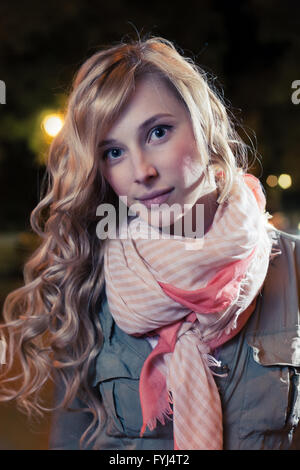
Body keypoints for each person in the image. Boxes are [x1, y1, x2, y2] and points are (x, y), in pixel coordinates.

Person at [0, 36, 300, 451]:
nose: (141, 171)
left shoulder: (293, 267)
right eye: (114, 152)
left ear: (204, 124)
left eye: (158, 132)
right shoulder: (91, 281)